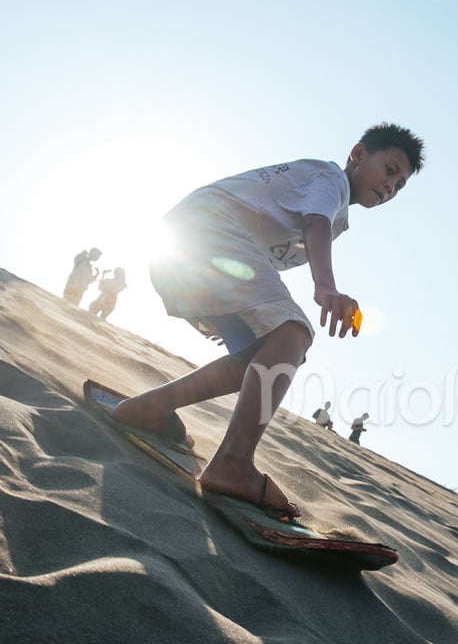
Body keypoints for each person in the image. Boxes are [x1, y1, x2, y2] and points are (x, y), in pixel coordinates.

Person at [109, 124, 424, 516]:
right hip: (205, 234)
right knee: (294, 333)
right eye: (390, 170)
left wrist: (234, 315)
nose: (390, 187)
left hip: (184, 249)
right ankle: (233, 463)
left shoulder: (334, 208)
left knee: (267, 353)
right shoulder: (331, 180)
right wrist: (325, 287)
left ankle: (150, 406)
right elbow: (314, 224)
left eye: (400, 186)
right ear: (358, 154)